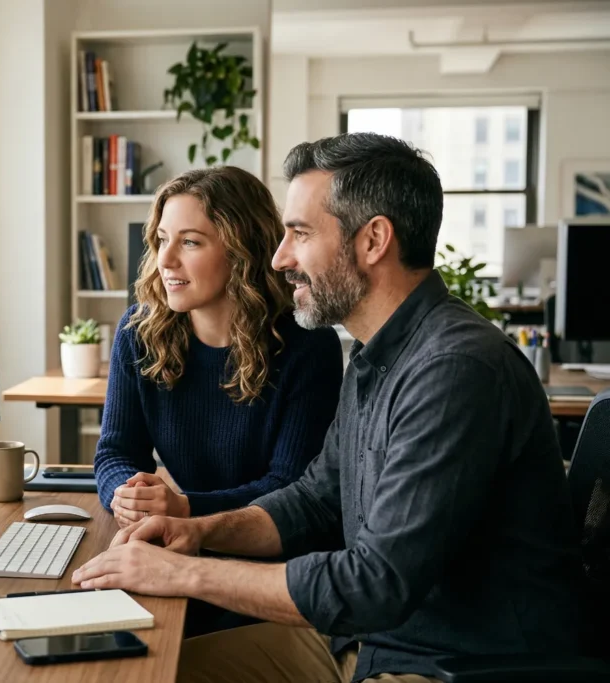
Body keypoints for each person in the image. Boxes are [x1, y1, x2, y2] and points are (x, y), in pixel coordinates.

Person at [73, 133, 581, 683]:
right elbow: (316, 502)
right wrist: (198, 530)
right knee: (146, 675)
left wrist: (185, 574)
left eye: (300, 233)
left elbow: (374, 584)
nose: (279, 257)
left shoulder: (455, 370)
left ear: (373, 241)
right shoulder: (375, 355)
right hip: (370, 641)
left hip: (453, 663)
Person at [94, 166, 342, 534]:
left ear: (243, 251)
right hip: (182, 534)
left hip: (273, 551)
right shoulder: (139, 332)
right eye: (162, 239)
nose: (165, 260)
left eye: (190, 242)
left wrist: (187, 507)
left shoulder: (308, 345)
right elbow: (116, 452)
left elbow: (292, 486)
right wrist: (127, 495)